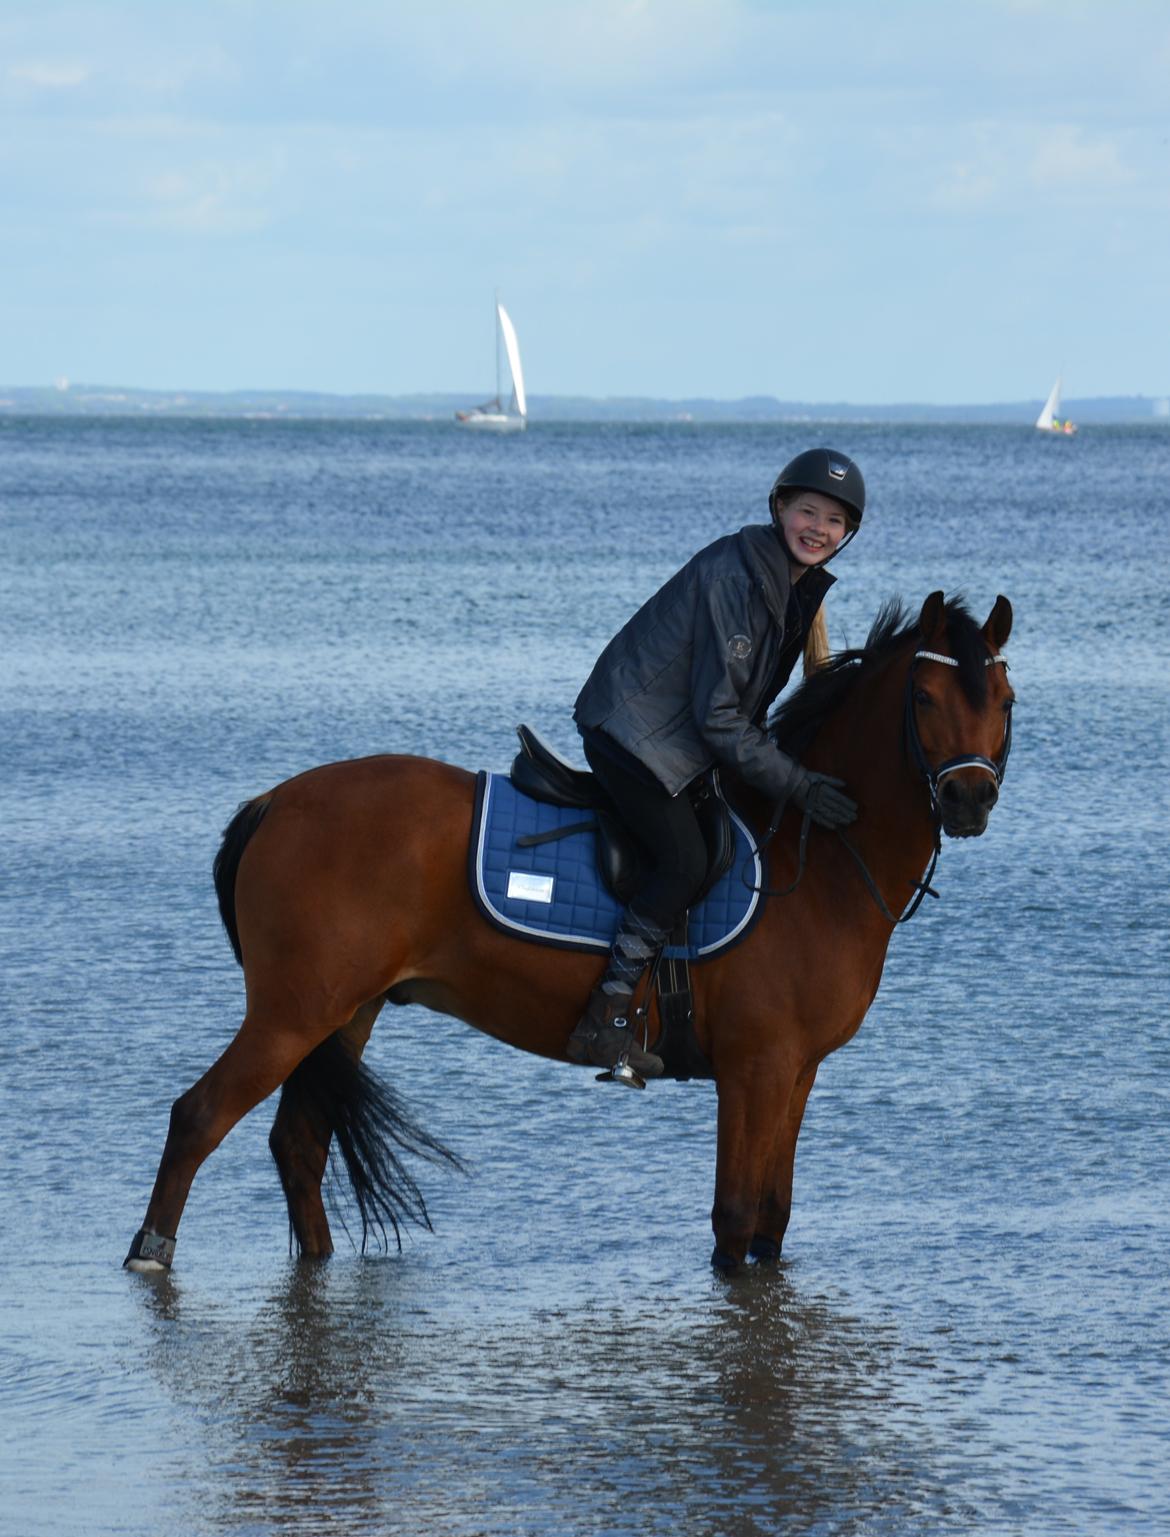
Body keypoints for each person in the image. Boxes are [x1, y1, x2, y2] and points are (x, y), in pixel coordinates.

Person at [567, 447, 866, 1079]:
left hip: (679, 742)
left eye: (835, 522)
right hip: (634, 734)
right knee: (686, 860)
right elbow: (721, 719)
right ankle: (608, 1014)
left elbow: (744, 713)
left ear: (847, 535)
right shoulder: (739, 578)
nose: (819, 528)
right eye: (807, 510)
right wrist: (802, 786)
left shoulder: (790, 583)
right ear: (778, 507)